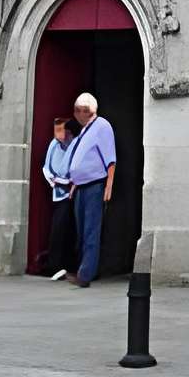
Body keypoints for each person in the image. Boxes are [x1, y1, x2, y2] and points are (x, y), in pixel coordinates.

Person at [64, 89, 116, 286]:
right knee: (81, 231)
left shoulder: (102, 126)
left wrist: (109, 186)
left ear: (91, 110)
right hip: (81, 187)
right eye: (77, 110)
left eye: (82, 110)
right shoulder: (85, 130)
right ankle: (81, 270)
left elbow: (110, 159)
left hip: (94, 186)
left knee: (91, 230)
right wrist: (74, 184)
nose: (78, 114)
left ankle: (85, 275)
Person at [42, 114, 80, 281]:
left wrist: (70, 181)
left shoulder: (76, 144)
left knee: (73, 228)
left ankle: (71, 264)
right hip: (59, 192)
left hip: (75, 190)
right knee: (59, 227)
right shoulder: (54, 144)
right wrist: (55, 180)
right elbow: (47, 167)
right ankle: (55, 264)